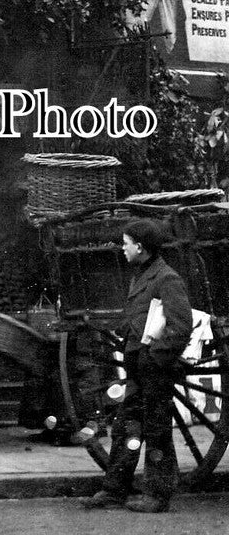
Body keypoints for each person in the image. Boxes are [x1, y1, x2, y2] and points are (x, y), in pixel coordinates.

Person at [82, 219, 193, 514]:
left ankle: (157, 495)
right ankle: (114, 491)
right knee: (125, 428)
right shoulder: (143, 275)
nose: (123, 248)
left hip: (154, 370)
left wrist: (154, 358)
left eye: (126, 243)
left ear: (140, 247)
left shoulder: (166, 279)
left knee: (156, 432)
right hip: (138, 369)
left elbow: (181, 326)